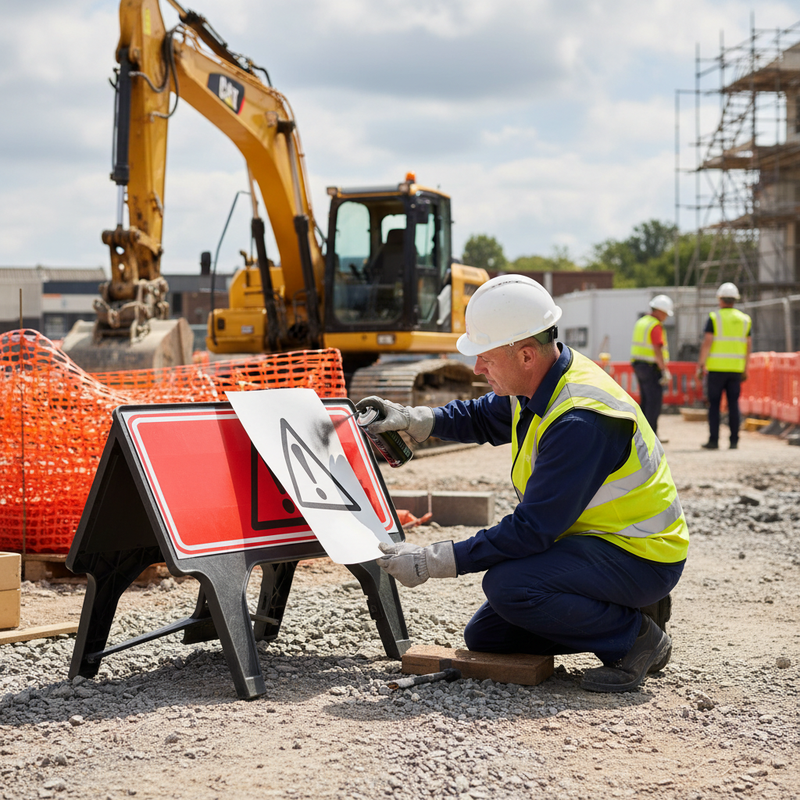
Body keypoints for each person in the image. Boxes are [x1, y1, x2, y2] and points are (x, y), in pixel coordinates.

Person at [356, 275, 689, 694]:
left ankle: (636, 639)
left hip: (641, 554)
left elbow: (532, 531)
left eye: (486, 358)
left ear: (526, 355)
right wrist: (413, 418)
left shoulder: (580, 420)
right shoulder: (538, 383)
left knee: (510, 587)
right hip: (597, 543)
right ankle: (626, 609)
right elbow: (481, 416)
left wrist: (430, 561)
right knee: (489, 636)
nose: (477, 369)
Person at [696, 282, 752, 450]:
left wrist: (701, 365)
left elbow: (707, 342)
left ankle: (714, 441)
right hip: (736, 369)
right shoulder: (745, 319)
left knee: (714, 405)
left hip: (716, 369)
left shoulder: (714, 317)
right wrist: (746, 368)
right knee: (733, 405)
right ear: (735, 300)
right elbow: (748, 346)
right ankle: (734, 441)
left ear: (720, 299)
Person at [630, 295, 673, 437]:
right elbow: (657, 348)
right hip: (651, 368)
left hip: (639, 365)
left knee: (645, 401)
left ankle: (642, 433)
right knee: (653, 403)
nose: (666, 317)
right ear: (660, 311)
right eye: (665, 313)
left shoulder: (641, 322)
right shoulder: (655, 325)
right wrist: (664, 369)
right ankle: (651, 436)